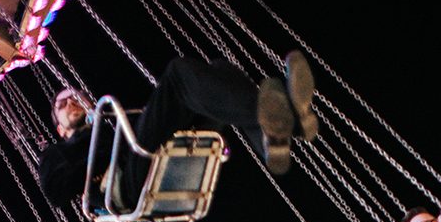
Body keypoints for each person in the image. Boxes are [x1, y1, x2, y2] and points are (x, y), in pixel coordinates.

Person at [38, 50, 318, 206]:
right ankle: (286, 121)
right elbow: (55, 191)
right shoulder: (59, 152)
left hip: (147, 153)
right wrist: (100, 155)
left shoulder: (112, 124)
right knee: (177, 76)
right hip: (127, 178)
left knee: (221, 70)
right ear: (60, 129)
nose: (72, 102)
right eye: (63, 105)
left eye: (76, 97)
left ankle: (273, 136)